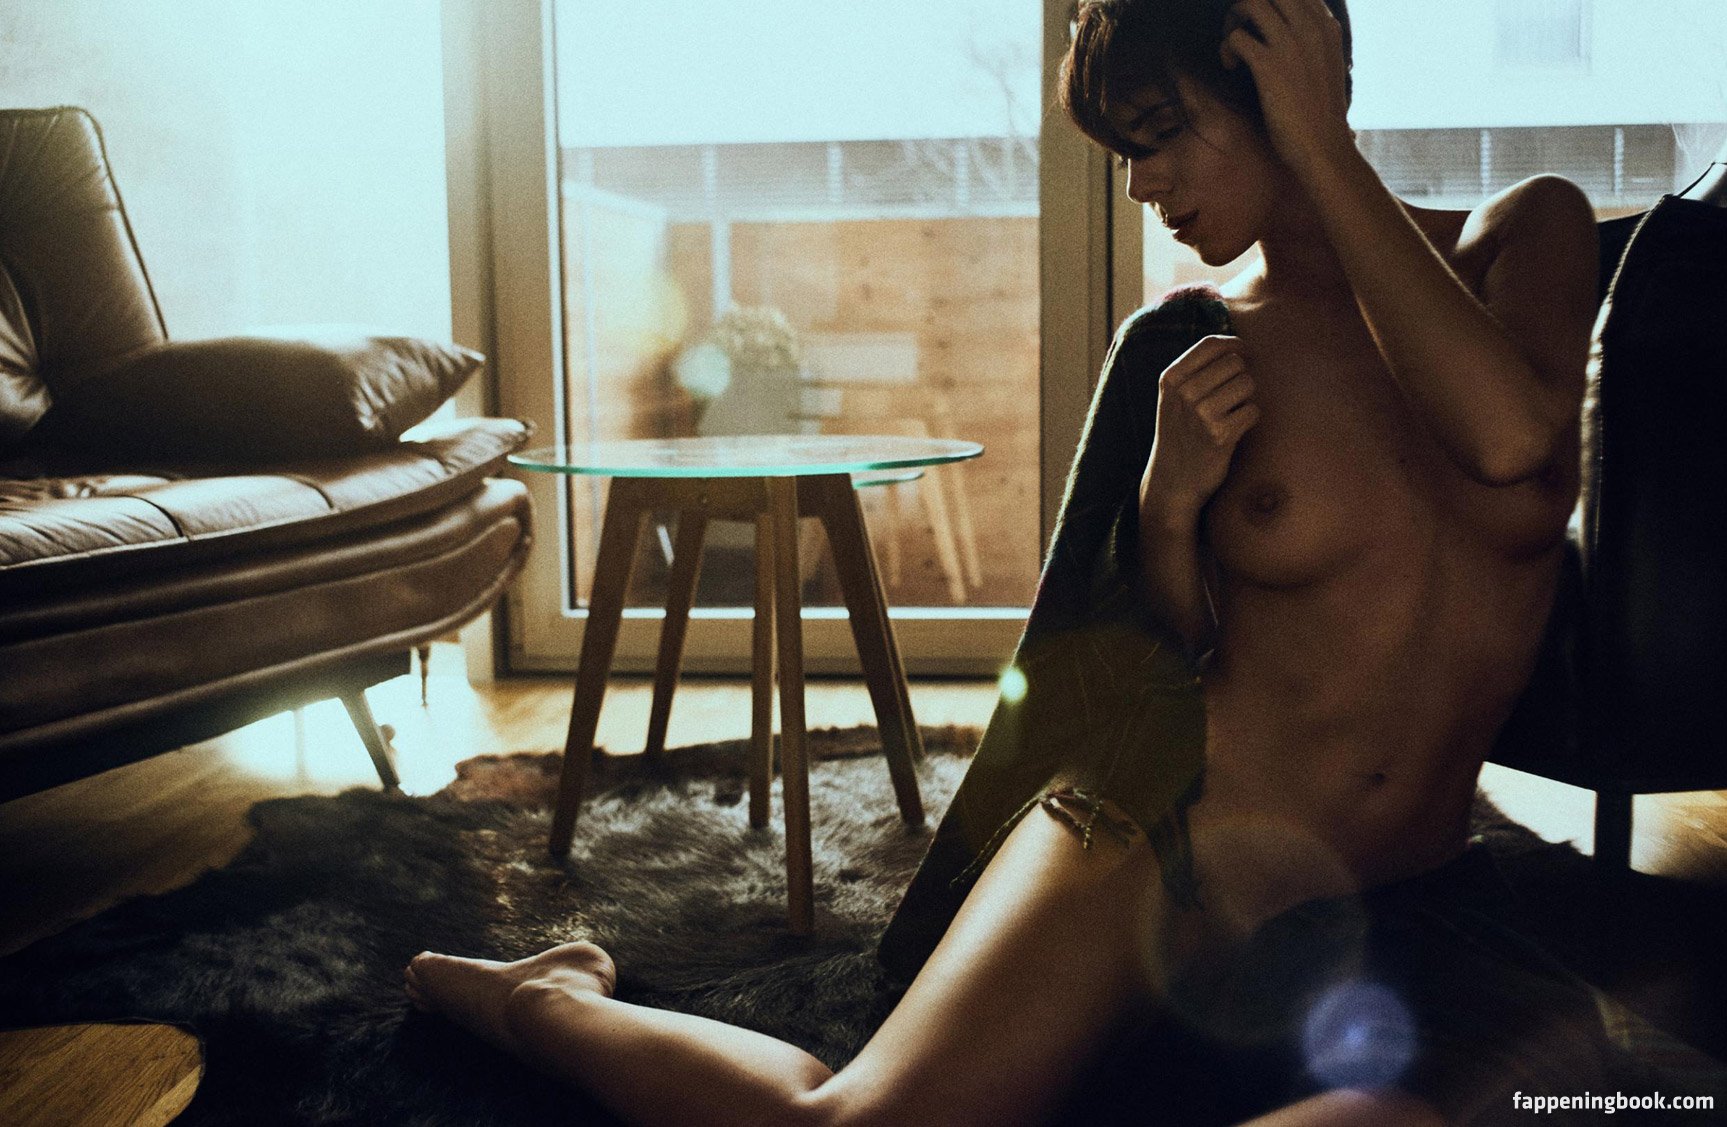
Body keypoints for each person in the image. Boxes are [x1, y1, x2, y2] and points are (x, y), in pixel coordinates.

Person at [404, 0, 1613, 1121]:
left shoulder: (1522, 236)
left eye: (1161, 133)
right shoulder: (1198, 345)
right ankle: (546, 996)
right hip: (1160, 838)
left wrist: (1322, 144)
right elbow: (1164, 653)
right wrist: (1165, 504)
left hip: (1411, 887)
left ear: (1287, 76)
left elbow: (1510, 443)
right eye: (1123, 151)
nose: (1141, 183)